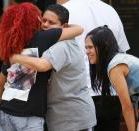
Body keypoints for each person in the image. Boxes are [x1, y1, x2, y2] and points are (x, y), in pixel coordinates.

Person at [0, 2, 83, 131]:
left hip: (5, 112)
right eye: (42, 20)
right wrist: (64, 27)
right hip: (29, 116)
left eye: (50, 22)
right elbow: (79, 29)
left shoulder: (12, 47)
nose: (45, 24)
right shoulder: (43, 38)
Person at [56, 0, 130, 130]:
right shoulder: (111, 11)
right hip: (111, 93)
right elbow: (122, 52)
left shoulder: (63, 11)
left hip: (76, 94)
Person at [85, 25, 139, 131]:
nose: (87, 51)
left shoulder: (115, 66)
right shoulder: (119, 59)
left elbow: (127, 107)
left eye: (90, 47)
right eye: (86, 47)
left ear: (104, 45)